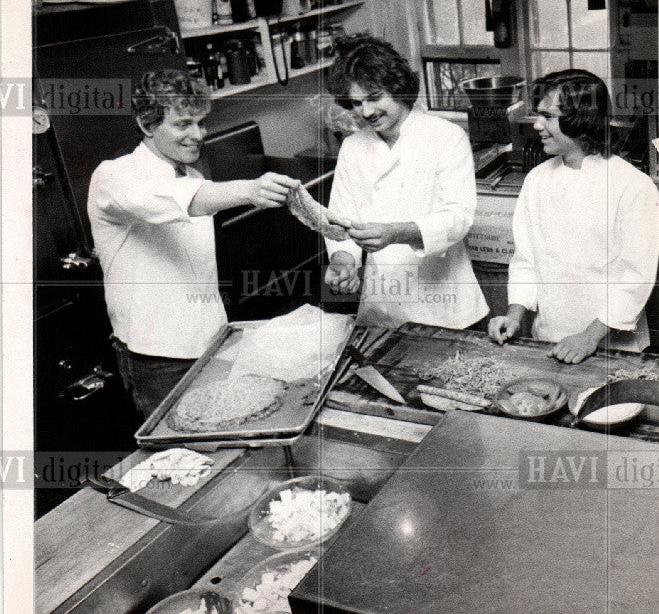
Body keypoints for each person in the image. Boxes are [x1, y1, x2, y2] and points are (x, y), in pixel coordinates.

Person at [88, 69, 299, 417]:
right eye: (183, 124)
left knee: (222, 436)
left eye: (201, 123)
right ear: (146, 123)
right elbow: (179, 199)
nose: (197, 135)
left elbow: (195, 198)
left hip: (210, 339)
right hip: (157, 356)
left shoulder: (193, 175)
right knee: (182, 453)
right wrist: (251, 189)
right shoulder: (114, 175)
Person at [488, 69, 659, 363]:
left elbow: (636, 277)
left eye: (548, 116)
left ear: (582, 119)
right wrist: (514, 315)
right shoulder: (537, 180)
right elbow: (526, 260)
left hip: (613, 346)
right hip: (550, 336)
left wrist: (588, 337)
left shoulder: (632, 185)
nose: (537, 125)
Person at [323, 35, 488, 328]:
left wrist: (396, 233)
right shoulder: (353, 147)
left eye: (374, 98)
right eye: (356, 103)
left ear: (398, 86)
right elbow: (341, 220)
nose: (366, 112)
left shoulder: (446, 137)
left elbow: (458, 219)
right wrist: (343, 261)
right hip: (382, 305)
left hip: (444, 304)